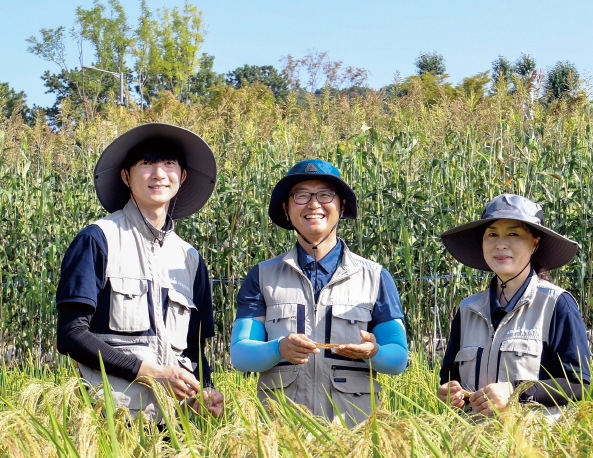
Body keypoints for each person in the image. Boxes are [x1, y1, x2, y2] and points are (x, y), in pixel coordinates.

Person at [56, 122, 223, 420]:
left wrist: (206, 390)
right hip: (110, 418)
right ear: (126, 176)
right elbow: (71, 334)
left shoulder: (191, 259)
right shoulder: (98, 239)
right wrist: (148, 373)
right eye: (146, 163)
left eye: (169, 163)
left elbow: (196, 350)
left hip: (174, 422)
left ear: (182, 177)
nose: (159, 174)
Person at [230, 159, 408, 427]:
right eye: (301, 196)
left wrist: (373, 352)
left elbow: (398, 358)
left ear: (342, 206)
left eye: (325, 194)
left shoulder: (375, 277)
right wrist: (280, 348)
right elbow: (241, 354)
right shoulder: (262, 276)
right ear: (286, 209)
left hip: (352, 432)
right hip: (282, 433)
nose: (314, 204)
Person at [438, 194, 590, 417]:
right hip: (471, 443)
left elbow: (578, 384)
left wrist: (515, 391)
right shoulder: (467, 309)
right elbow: (450, 377)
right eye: (492, 234)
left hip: (534, 444)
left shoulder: (557, 304)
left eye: (513, 234)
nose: (501, 244)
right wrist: (449, 392)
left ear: (534, 243)